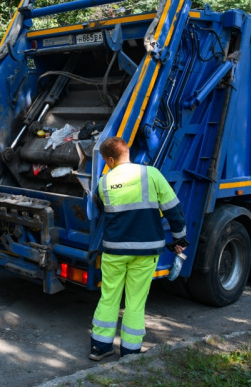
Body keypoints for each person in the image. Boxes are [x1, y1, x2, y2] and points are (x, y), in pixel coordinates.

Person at [90, 136, 187, 361]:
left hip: (114, 251)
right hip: (146, 252)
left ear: (111, 159)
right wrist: (180, 241)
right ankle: (130, 352)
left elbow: (101, 209)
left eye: (105, 160)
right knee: (135, 301)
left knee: (109, 297)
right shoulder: (151, 174)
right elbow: (174, 210)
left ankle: (100, 347)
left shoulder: (103, 182)